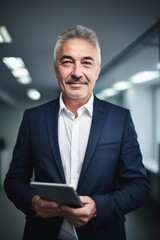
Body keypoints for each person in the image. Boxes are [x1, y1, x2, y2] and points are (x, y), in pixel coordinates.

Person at [4, 25, 149, 240]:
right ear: (56, 69)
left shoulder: (120, 119)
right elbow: (14, 179)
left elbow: (139, 186)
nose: (77, 73)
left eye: (86, 63)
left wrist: (99, 206)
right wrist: (33, 202)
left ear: (97, 70)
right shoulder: (33, 119)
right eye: (67, 61)